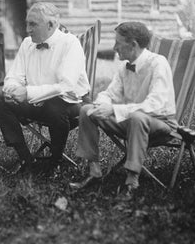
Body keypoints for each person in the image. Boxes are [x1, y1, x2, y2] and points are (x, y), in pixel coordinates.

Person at [69, 21, 177, 200]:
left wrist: (114, 109)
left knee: (137, 117)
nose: (114, 47)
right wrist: (101, 105)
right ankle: (94, 172)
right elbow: (110, 94)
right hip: (130, 120)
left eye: (118, 42)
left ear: (133, 44)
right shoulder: (124, 66)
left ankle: (132, 181)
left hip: (161, 123)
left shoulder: (158, 63)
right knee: (87, 110)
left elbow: (156, 104)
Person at [0, 2, 90, 176]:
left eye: (33, 24)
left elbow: (66, 86)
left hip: (72, 102)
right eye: (27, 23)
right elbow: (14, 76)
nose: (27, 29)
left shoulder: (70, 44)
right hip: (36, 101)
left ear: (51, 25)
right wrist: (12, 90)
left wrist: (27, 92)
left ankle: (55, 161)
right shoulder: (27, 43)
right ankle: (25, 157)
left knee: (55, 106)